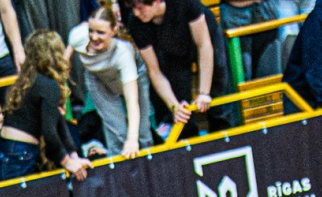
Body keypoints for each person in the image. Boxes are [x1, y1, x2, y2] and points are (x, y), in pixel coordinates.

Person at [0, 32, 85, 182]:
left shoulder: (25, 82)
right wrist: (67, 162)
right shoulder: (48, 85)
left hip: (2, 152)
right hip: (19, 157)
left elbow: (58, 122)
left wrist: (73, 155)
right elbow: (50, 133)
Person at [128, 0, 231, 137]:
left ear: (157, 1)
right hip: (172, 50)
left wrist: (204, 93)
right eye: (133, 8)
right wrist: (174, 106)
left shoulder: (185, 3)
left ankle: (223, 133)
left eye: (141, 8)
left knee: (218, 85)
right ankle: (188, 137)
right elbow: (155, 71)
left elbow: (204, 45)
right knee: (179, 101)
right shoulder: (136, 23)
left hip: (203, 35)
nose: (136, 13)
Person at [70, 6, 142, 159]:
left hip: (131, 77)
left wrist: (132, 139)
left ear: (113, 31)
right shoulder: (78, 36)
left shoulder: (123, 53)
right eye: (91, 31)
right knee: (117, 133)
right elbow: (62, 65)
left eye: (101, 32)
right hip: (97, 78)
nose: (94, 37)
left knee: (141, 132)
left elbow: (132, 101)